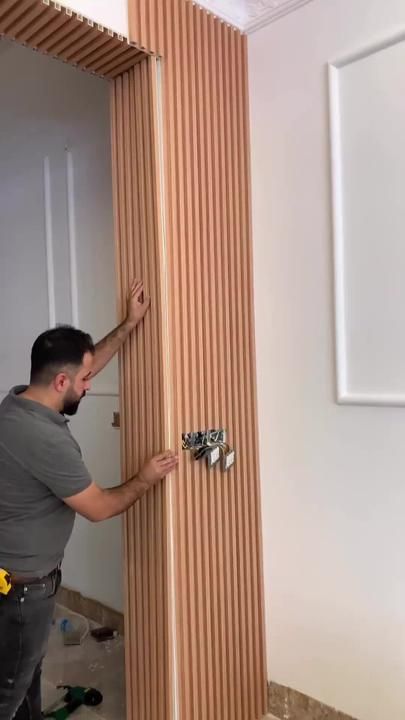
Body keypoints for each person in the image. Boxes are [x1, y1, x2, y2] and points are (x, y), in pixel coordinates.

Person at [0, 279, 178, 720]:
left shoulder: (16, 403)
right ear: (61, 380)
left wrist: (129, 325)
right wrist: (146, 477)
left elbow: (86, 361)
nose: (89, 386)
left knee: (23, 680)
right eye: (84, 380)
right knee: (8, 692)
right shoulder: (45, 440)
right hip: (23, 593)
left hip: (12, 580)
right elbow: (99, 508)